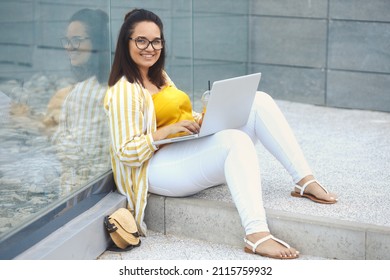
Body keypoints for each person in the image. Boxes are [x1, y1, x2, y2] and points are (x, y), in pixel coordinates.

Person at [104, 8, 338, 260]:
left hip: (185, 151)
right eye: (141, 40)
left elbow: (175, 114)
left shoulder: (158, 75)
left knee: (259, 101)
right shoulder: (123, 92)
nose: (150, 47)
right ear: (125, 43)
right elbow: (125, 153)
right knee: (235, 141)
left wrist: (201, 119)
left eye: (156, 41)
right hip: (156, 169)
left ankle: (303, 179)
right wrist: (164, 132)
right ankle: (256, 234)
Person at [49, 8, 111, 193]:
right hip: (100, 190)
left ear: (97, 43)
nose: (69, 47)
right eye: (67, 40)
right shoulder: (112, 83)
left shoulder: (87, 93)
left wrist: (54, 135)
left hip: (82, 194)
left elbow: (78, 157)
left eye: (77, 40)